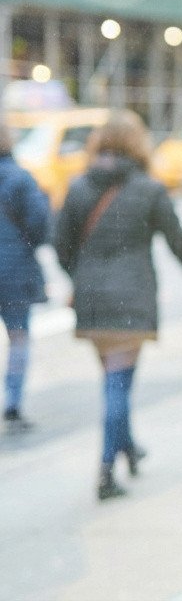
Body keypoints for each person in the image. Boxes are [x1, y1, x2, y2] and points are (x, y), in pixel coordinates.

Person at [53, 110, 182, 501]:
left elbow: (61, 244)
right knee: (118, 383)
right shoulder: (149, 189)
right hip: (132, 297)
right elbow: (177, 238)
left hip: (91, 299)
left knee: (114, 378)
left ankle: (128, 446)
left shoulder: (78, 186)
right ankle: (106, 469)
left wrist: (80, 276)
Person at [1, 118, 50, 433]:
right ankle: (13, 402)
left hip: (14, 266)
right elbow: (40, 223)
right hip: (14, 270)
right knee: (18, 337)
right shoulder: (20, 179)